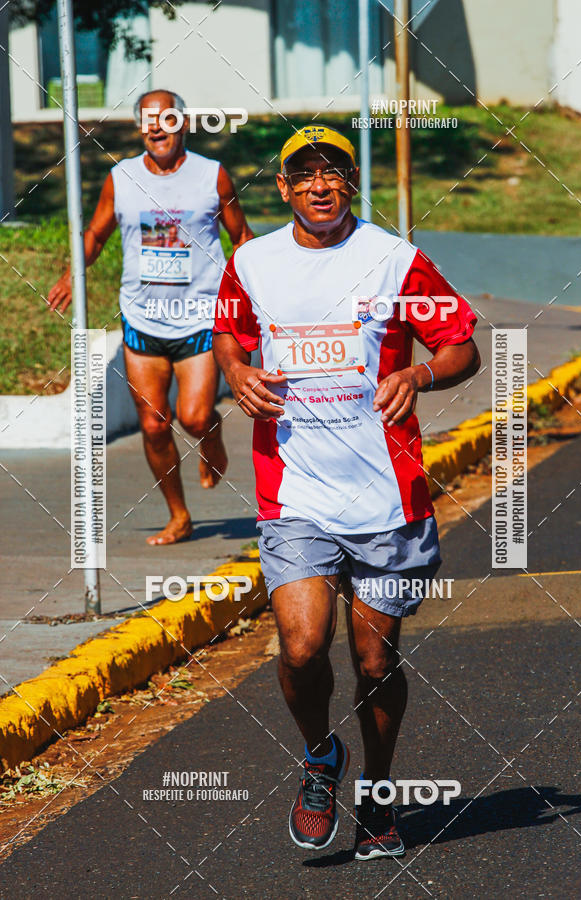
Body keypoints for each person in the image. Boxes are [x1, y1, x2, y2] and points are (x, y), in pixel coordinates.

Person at [213, 125, 480, 859]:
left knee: (373, 661)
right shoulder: (254, 262)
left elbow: (461, 342)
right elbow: (229, 334)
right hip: (294, 490)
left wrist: (419, 375)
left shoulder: (393, 260)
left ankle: (382, 794)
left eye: (334, 173)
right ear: (285, 187)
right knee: (302, 649)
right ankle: (320, 757)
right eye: (305, 174)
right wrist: (236, 373)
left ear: (351, 184)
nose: (319, 186)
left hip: (386, 500)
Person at [49, 89, 253, 545]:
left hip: (200, 317)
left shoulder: (212, 176)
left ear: (183, 123)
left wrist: (252, 291)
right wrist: (71, 276)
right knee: (154, 424)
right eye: (147, 120)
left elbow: (241, 236)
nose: (155, 127)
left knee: (195, 418)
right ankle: (179, 515)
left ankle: (211, 438)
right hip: (143, 319)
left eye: (165, 118)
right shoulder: (121, 177)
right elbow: (98, 233)